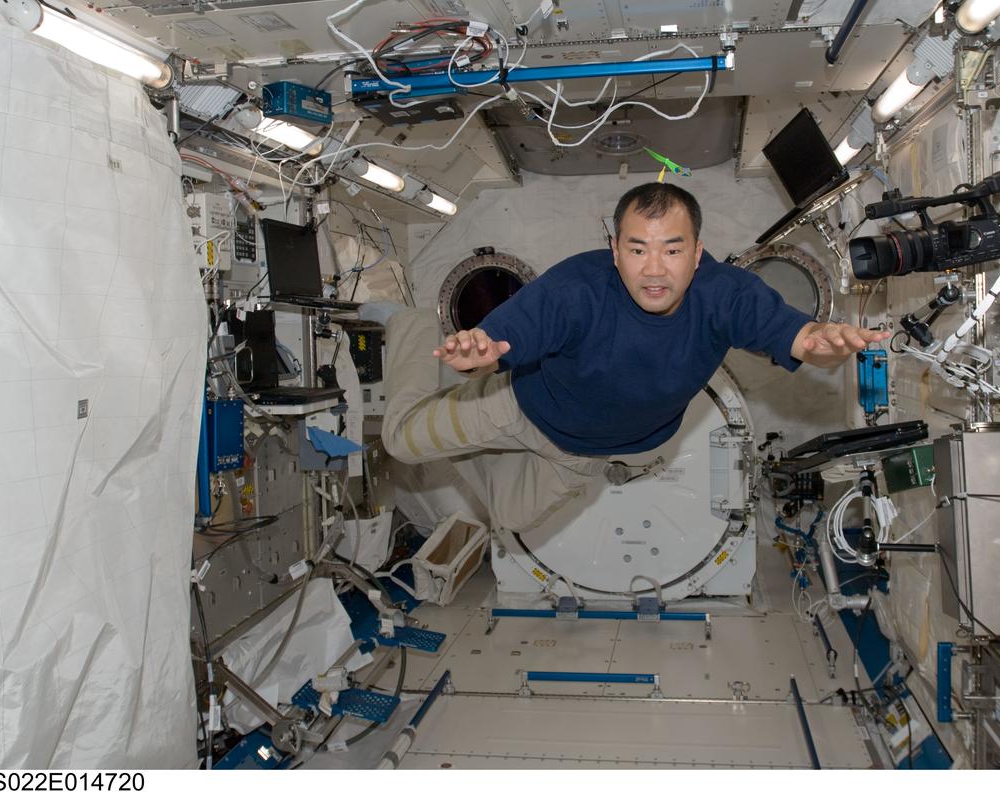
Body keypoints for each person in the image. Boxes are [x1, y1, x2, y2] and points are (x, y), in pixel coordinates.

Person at [379, 183, 888, 531]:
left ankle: (480, 451)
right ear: (615, 249)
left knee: (508, 518)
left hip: (586, 456)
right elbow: (504, 340)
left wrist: (824, 344)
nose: (654, 270)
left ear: (696, 251)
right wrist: (480, 354)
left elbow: (803, 340)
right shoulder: (578, 286)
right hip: (518, 408)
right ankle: (410, 325)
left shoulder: (726, 294)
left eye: (671, 249)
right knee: (400, 441)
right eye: (638, 249)